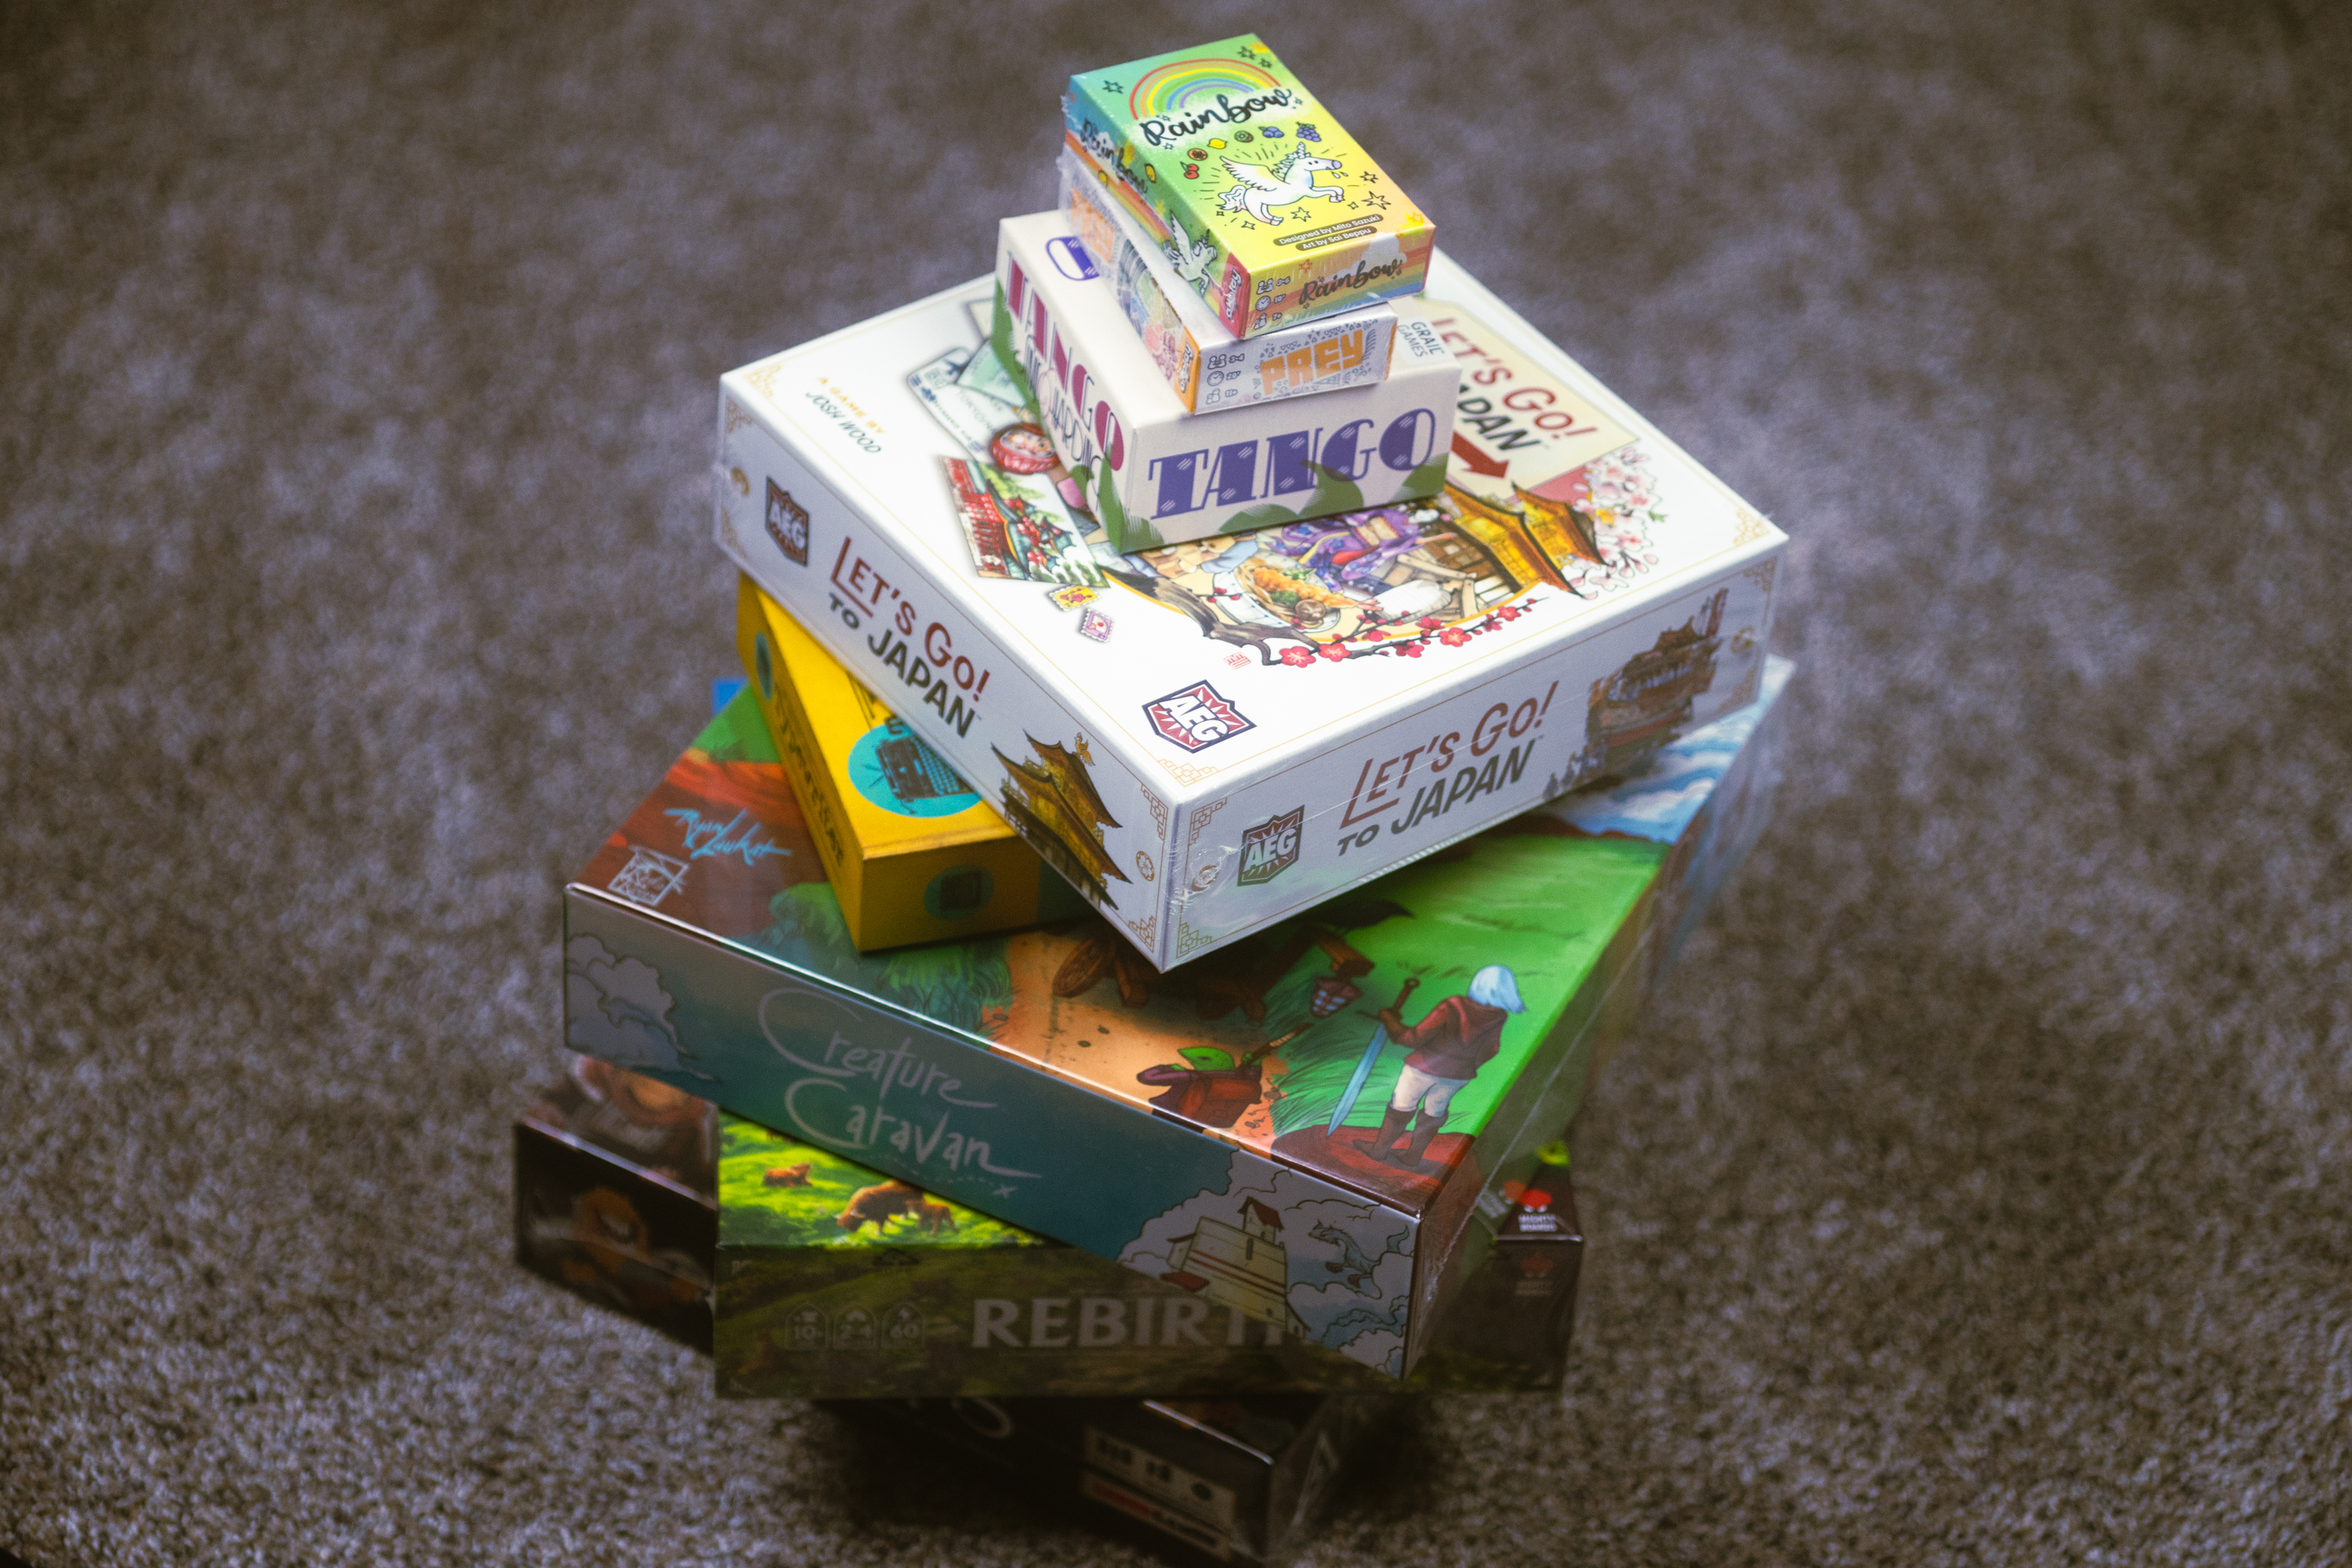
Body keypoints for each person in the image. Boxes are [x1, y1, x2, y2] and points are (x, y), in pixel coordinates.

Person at [1367, 965, 1526, 1170]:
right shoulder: (1499, 1016)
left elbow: (1414, 1038)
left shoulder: (1453, 1005)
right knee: (1434, 1113)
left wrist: (1389, 1020)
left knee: (1402, 1106)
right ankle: (1412, 1157)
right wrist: (1465, 1065)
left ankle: (1378, 1151)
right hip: (1457, 1077)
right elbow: (1492, 1049)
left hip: (1423, 1067)